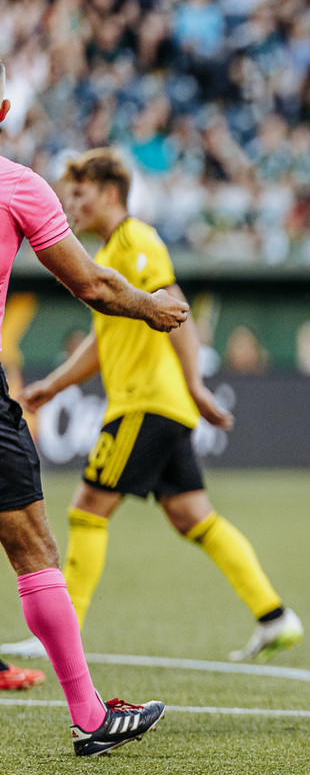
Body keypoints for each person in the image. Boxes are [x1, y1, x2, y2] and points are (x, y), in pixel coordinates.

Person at [17, 148, 303, 663]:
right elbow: (104, 341)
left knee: (85, 510)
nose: (71, 204)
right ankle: (274, 615)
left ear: (109, 193)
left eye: (80, 194)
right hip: (160, 407)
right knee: (194, 516)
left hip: (144, 404)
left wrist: (195, 384)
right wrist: (56, 385)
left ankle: (62, 636)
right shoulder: (109, 255)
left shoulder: (136, 241)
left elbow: (176, 310)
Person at [0, 60, 182, 756]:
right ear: (6, 107)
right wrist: (152, 307)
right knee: (34, 547)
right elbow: (96, 287)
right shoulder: (19, 185)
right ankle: (89, 715)